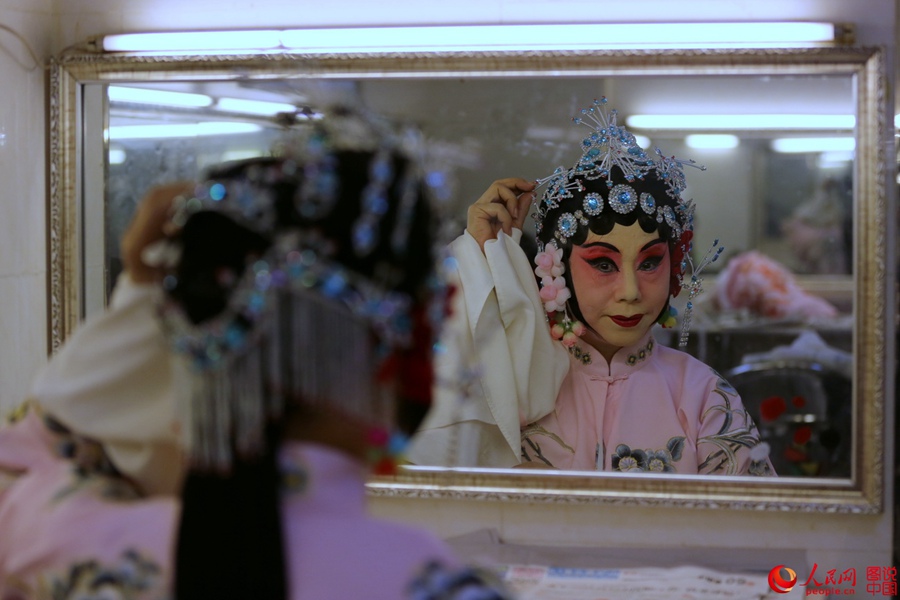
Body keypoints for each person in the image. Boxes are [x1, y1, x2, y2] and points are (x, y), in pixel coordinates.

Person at [0, 110, 512, 599]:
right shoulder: (439, 586)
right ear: (405, 349)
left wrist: (140, 293)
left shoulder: (79, 548)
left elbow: (29, 448)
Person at [410, 98, 773, 476]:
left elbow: (754, 527)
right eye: (603, 264)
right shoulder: (519, 378)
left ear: (673, 267)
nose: (630, 291)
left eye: (650, 262)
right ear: (556, 269)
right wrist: (479, 260)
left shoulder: (704, 398)